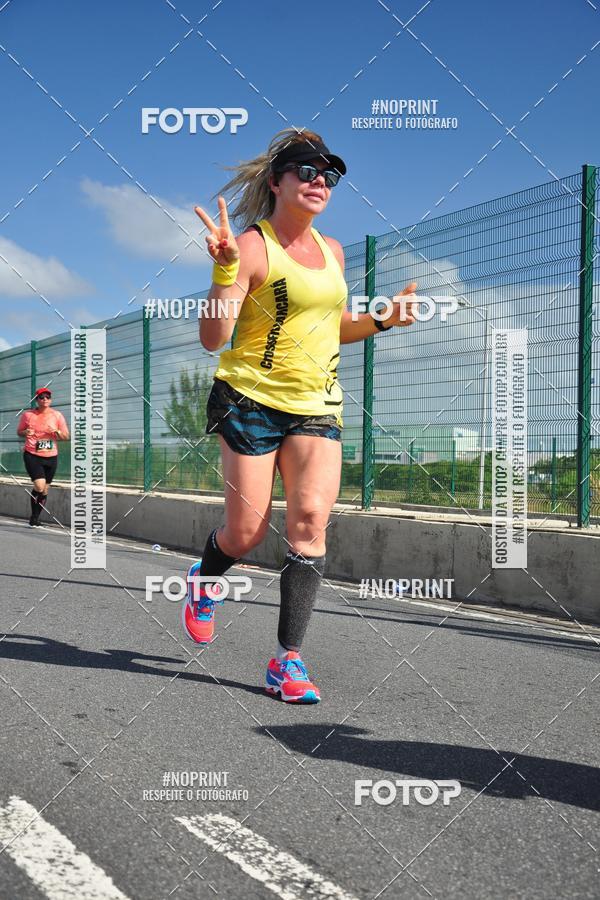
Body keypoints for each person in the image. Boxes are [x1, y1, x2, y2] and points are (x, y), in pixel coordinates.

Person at [184, 127, 418, 703]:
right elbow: (213, 338)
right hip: (249, 400)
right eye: (307, 171)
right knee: (246, 530)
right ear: (278, 182)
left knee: (310, 522)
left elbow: (331, 326)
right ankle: (203, 580)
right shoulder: (252, 248)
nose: (320, 181)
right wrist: (222, 272)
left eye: (329, 174)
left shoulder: (334, 253)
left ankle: (287, 660)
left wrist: (383, 319)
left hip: (316, 404)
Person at [17, 388, 70, 527]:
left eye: (47, 397)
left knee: (45, 490)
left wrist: (57, 432)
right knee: (39, 486)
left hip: (51, 456)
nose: (44, 399)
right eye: (41, 397)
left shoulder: (57, 415)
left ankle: (35, 517)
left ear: (50, 400)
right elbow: (19, 432)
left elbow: (66, 437)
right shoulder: (28, 415)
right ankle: (34, 517)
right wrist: (25, 432)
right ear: (37, 400)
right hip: (32, 454)